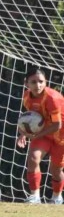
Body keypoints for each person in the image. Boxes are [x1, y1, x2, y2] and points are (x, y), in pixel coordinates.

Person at [16, 68, 64, 204]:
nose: (38, 85)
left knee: (56, 170)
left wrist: (35, 135)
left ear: (46, 82)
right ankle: (35, 196)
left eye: (41, 81)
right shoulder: (26, 97)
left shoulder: (52, 98)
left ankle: (57, 197)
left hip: (61, 135)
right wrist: (22, 133)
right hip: (44, 133)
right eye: (33, 82)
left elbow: (57, 125)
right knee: (33, 159)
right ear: (26, 83)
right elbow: (29, 118)